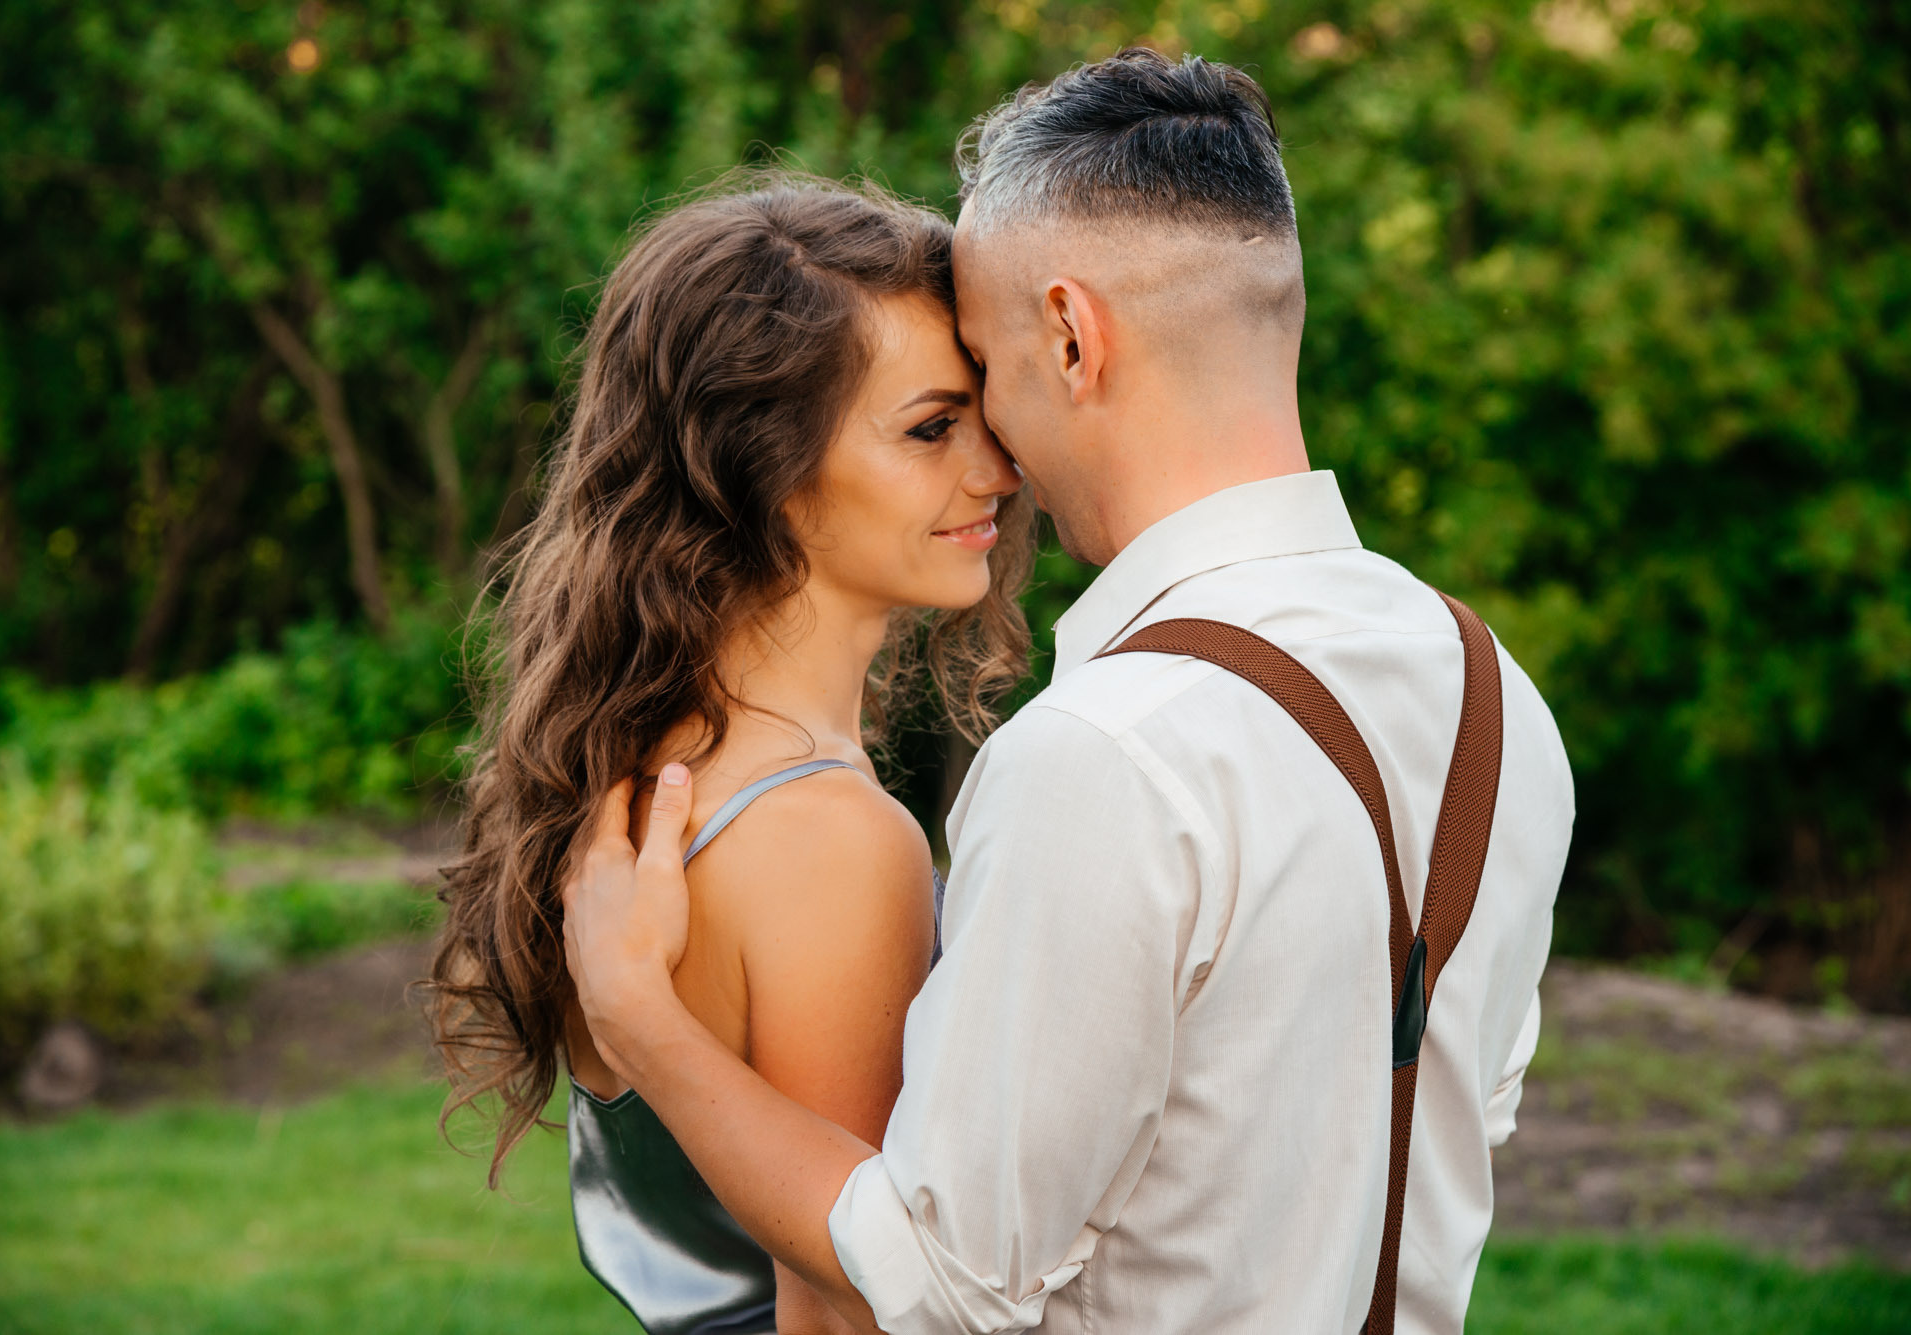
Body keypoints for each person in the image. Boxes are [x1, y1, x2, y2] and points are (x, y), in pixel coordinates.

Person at [564, 48, 1576, 1335]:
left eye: (980, 369)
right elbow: (1442, 1123)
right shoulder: (1496, 699)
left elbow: (935, 1284)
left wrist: (641, 1020)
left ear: (1067, 335)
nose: (993, 445)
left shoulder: (1103, 754)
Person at [421, 176, 1033, 1335]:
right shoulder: (825, 841)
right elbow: (846, 1303)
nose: (996, 471)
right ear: (766, 468)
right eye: (929, 428)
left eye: (983, 416)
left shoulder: (637, 771)